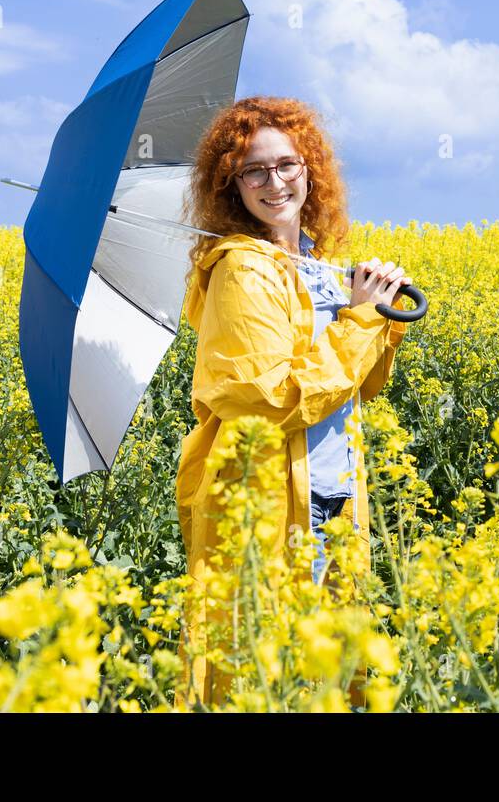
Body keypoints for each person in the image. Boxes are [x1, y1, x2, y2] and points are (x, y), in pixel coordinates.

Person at [174, 95, 412, 709]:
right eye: (253, 170)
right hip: (271, 502)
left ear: (310, 168)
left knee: (330, 672)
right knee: (262, 666)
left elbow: (361, 385)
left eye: (287, 165)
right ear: (232, 185)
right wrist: (358, 323)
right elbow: (271, 398)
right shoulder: (240, 272)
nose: (274, 182)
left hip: (335, 491)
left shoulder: (314, 264)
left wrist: (377, 315)